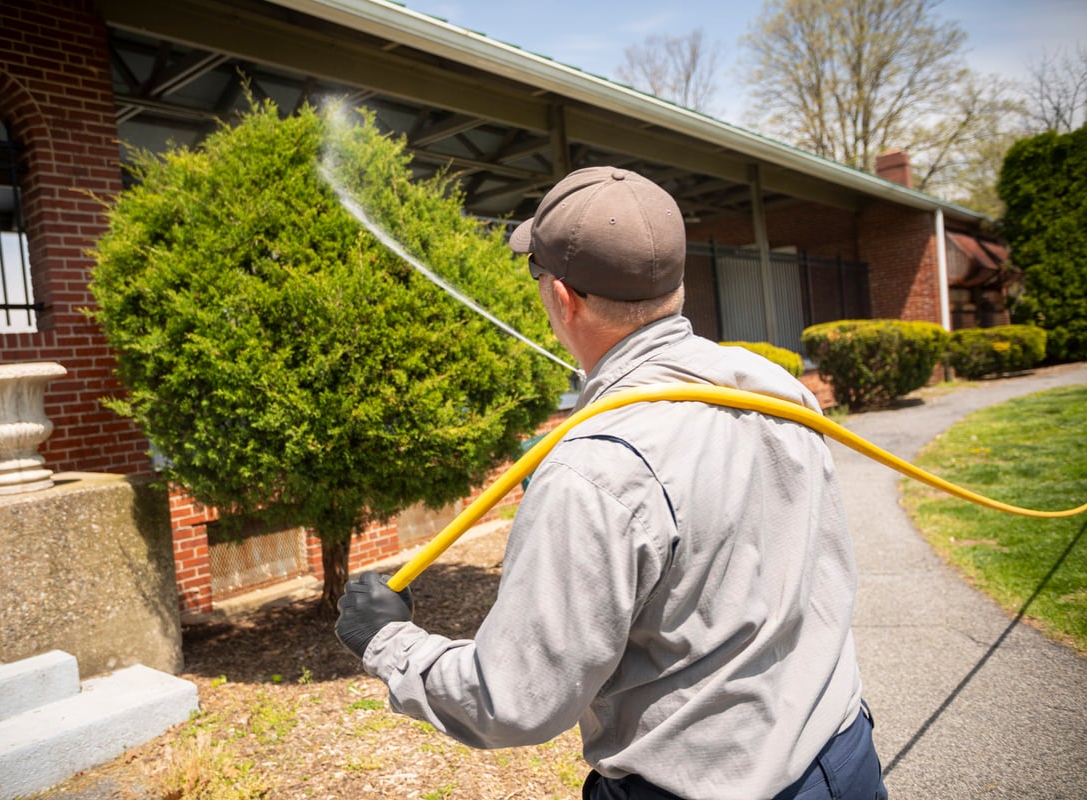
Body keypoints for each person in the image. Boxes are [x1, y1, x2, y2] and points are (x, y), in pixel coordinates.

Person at [335, 166, 887, 800]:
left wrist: (388, 642)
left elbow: (513, 700)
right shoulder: (773, 387)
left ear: (563, 299)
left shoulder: (593, 473)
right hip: (843, 757)